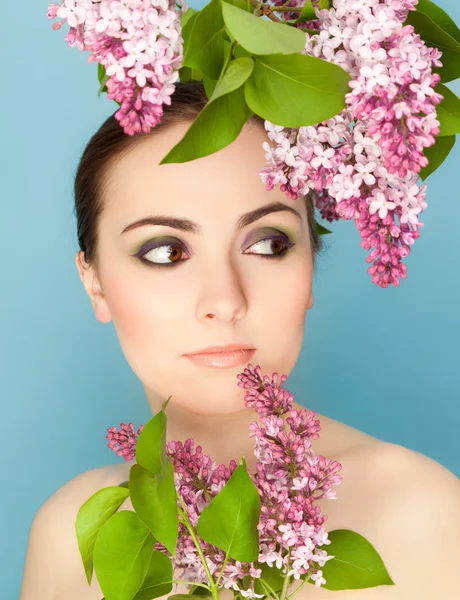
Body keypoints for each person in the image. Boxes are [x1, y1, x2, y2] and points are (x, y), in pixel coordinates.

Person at [20, 81, 460, 600]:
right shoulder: (67, 537)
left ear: (311, 267)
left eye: (269, 244)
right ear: (94, 282)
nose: (225, 300)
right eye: (165, 252)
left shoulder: (423, 512)